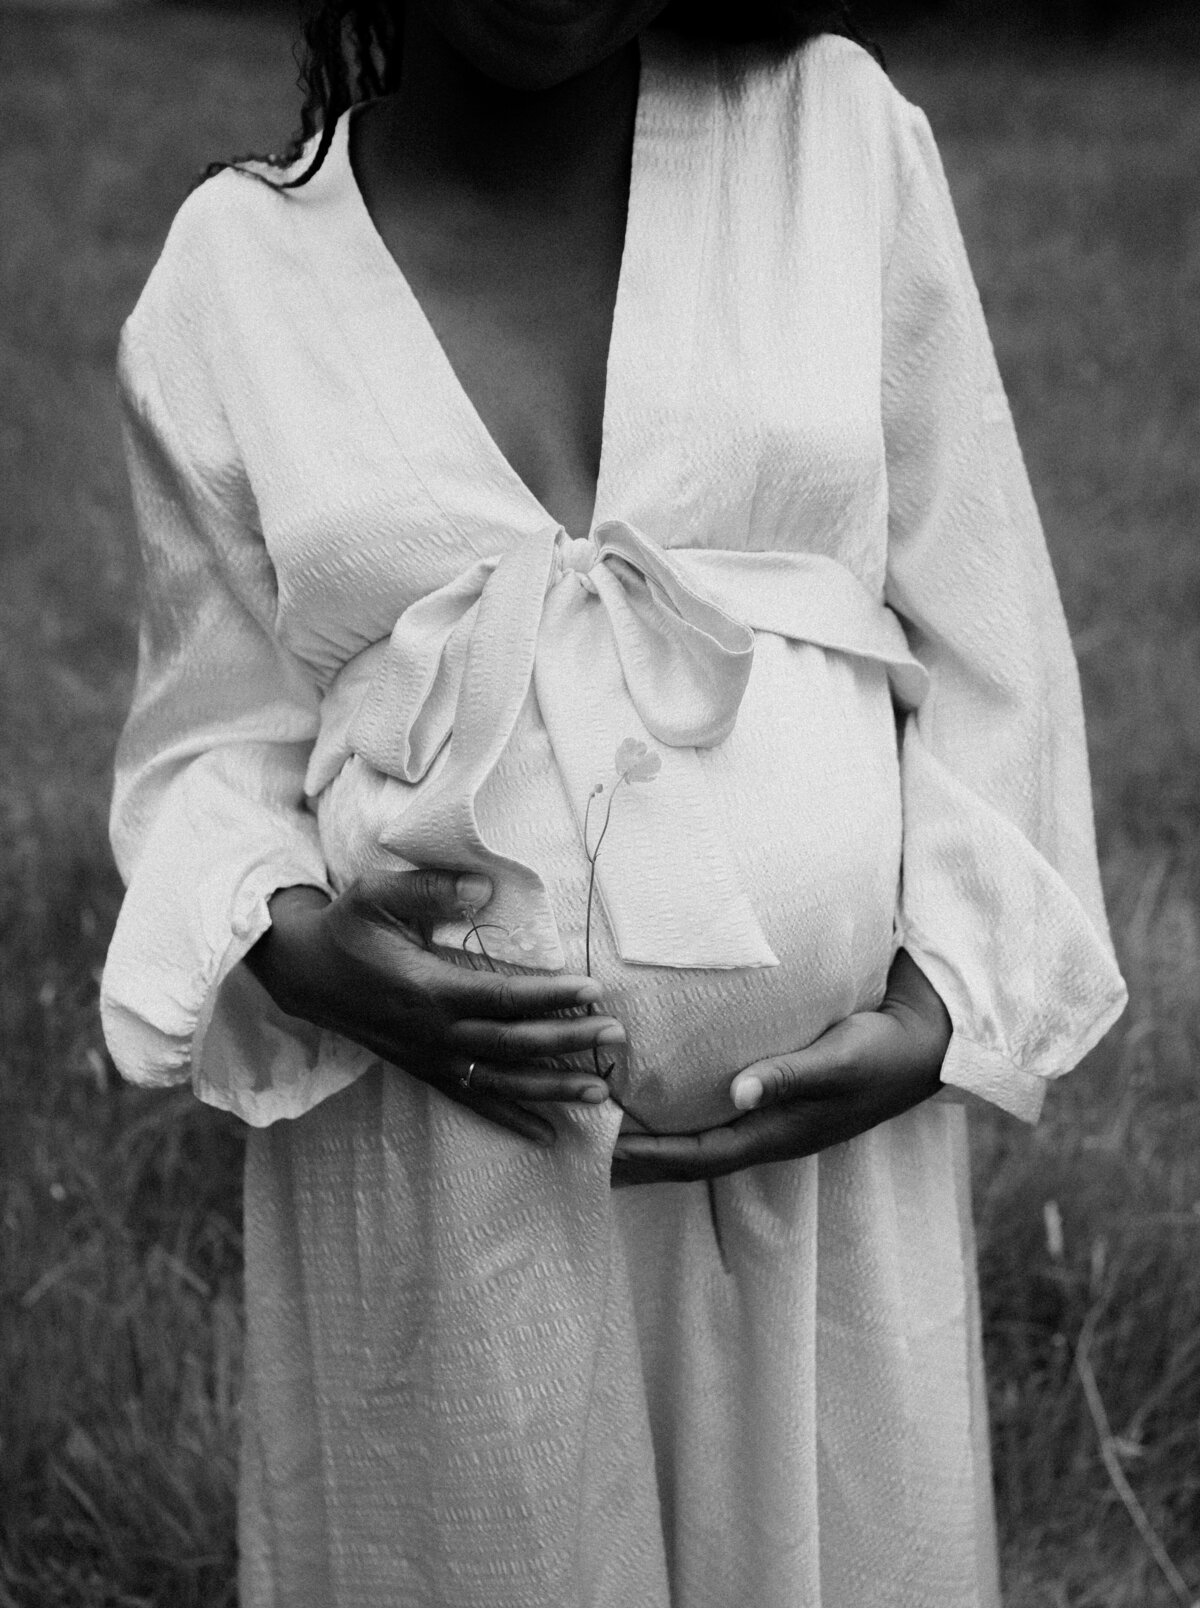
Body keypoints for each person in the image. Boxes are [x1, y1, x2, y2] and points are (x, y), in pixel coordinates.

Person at [100, 1, 1127, 1603]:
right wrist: (314, 957)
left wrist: (937, 1014)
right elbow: (203, 752)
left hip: (816, 1184)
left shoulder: (833, 138)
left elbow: (988, 621)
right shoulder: (230, 279)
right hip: (438, 1163)